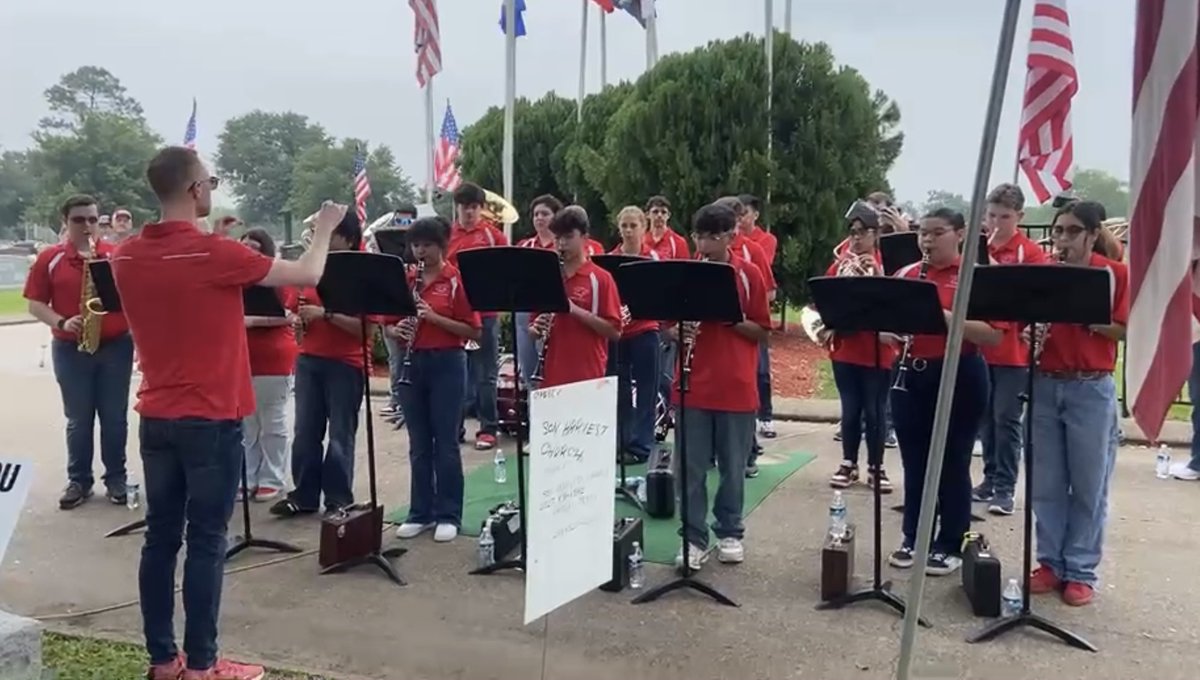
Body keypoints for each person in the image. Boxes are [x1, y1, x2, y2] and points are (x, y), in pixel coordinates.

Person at [113, 145, 345, 680]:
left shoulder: (124, 255)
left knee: (161, 538)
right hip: (212, 415)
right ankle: (202, 665)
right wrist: (326, 227)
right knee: (207, 541)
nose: (212, 188)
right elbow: (308, 269)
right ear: (196, 190)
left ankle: (162, 660)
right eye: (209, 181)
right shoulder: (214, 252)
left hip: (157, 412)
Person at [888, 207, 1000, 577]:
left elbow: (994, 333)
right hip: (910, 373)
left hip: (960, 373)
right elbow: (883, 327)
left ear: (960, 234)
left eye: (937, 233)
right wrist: (887, 331)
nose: (927, 240)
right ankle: (914, 537)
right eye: (923, 233)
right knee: (914, 461)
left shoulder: (973, 278)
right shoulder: (906, 275)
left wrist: (946, 318)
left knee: (953, 460)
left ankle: (950, 541)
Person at [1028, 200, 1127, 606]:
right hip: (1047, 382)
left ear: (1091, 234)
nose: (1062, 239)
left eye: (1071, 231)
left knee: (1089, 485)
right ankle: (1050, 562)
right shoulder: (1044, 275)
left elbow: (1124, 329)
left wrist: (1084, 313)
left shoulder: (1114, 274)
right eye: (1058, 231)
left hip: (1090, 386)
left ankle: (1081, 569)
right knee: (1047, 483)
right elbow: (1022, 321)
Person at [671, 202, 770, 570]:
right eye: (699, 236)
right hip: (692, 384)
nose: (705, 244)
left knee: (732, 466)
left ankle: (730, 532)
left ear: (731, 236)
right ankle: (693, 538)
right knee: (690, 469)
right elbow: (666, 326)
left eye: (713, 237)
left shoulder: (748, 275)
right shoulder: (686, 274)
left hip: (735, 385)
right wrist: (677, 331)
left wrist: (729, 318)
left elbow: (762, 331)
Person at [24, 194, 134, 510]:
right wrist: (62, 320)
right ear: (65, 222)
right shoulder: (51, 257)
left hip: (115, 345)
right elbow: (34, 304)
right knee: (78, 419)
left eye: (92, 220)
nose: (87, 226)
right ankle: (79, 480)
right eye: (78, 220)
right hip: (71, 347)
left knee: (114, 418)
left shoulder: (116, 255)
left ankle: (116, 478)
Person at [270, 211, 371, 520]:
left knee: (341, 434)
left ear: (349, 239)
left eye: (329, 232)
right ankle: (304, 494)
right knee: (305, 431)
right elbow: (293, 310)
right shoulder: (311, 268)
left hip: (345, 363)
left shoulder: (361, 273)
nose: (320, 236)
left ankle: (339, 499)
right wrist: (300, 322)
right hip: (310, 359)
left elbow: (366, 330)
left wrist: (325, 314)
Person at [389, 216, 482, 543]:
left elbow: (473, 331)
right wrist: (396, 328)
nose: (420, 250)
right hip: (412, 363)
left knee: (445, 442)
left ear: (441, 246)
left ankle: (448, 514)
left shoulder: (456, 279)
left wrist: (434, 317)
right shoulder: (405, 278)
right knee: (418, 443)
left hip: (447, 362)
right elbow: (387, 322)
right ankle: (420, 512)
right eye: (415, 245)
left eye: (426, 244)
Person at [973, 183, 1048, 515]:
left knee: (1006, 418)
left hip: (1012, 351)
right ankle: (989, 479)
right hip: (980, 347)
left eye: (1004, 216)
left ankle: (1005, 487)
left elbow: (1035, 297)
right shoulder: (976, 248)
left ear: (1019, 216)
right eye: (991, 215)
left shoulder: (1029, 253)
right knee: (985, 418)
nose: (996, 223)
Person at [820, 204, 897, 492]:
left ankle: (876, 467)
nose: (855, 238)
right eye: (852, 232)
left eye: (862, 232)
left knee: (875, 411)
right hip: (846, 346)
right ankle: (849, 462)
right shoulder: (841, 263)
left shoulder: (886, 263)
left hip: (877, 349)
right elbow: (825, 294)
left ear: (875, 234)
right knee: (850, 410)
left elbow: (895, 300)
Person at [714, 196, 776, 478]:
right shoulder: (705, 254)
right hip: (714, 342)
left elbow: (769, 291)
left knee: (749, 385)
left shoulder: (752, 252)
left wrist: (738, 313)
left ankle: (748, 450)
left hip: (744, 334)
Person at [446, 182, 509, 450]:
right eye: (464, 207)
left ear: (481, 209)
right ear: (456, 208)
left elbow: (505, 272)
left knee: (486, 375)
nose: (469, 212)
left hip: (485, 315)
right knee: (455, 374)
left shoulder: (495, 237)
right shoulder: (446, 236)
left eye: (474, 207)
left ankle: (488, 429)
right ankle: (454, 428)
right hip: (456, 317)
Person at [530, 206, 622, 388]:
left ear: (585, 238)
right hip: (551, 376)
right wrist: (536, 328)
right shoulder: (548, 278)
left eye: (568, 237)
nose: (562, 244)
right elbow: (532, 329)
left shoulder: (601, 278)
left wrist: (574, 310)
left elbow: (614, 332)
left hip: (588, 375)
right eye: (557, 238)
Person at [239, 228, 297, 503]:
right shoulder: (233, 279)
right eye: (245, 245)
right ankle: (248, 476)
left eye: (255, 246)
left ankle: (272, 478)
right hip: (240, 356)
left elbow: (291, 315)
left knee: (272, 421)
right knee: (246, 423)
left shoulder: (277, 277)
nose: (249, 250)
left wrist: (254, 321)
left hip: (273, 356)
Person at [608, 206, 662, 463]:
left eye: (633, 226)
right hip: (618, 333)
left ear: (643, 227)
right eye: (624, 226)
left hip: (645, 330)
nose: (628, 231)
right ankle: (621, 441)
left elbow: (657, 297)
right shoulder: (609, 259)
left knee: (646, 389)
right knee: (618, 388)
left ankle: (641, 445)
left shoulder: (652, 259)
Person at [737, 194, 780, 442]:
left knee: (761, 371)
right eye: (738, 214)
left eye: (745, 213)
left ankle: (766, 416)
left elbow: (761, 278)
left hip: (755, 308)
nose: (741, 219)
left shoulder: (764, 241)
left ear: (755, 215)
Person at [375, 203, 418, 428]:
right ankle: (396, 401)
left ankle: (407, 404)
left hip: (413, 318)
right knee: (396, 361)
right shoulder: (389, 246)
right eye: (399, 220)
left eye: (407, 220)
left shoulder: (420, 251)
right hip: (392, 315)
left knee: (407, 363)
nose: (403, 225)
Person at [515, 194, 564, 388]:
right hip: (526, 307)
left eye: (545, 213)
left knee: (551, 369)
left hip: (552, 307)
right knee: (528, 366)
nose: (539, 218)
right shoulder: (524, 246)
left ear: (556, 216)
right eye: (536, 214)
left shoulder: (563, 245)